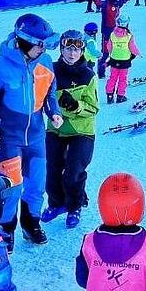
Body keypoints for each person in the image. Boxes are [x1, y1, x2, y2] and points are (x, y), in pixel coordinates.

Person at [0, 14, 63, 248]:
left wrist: (53, 111)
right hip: (9, 140)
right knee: (11, 187)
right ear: (24, 41)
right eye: (40, 44)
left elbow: (50, 93)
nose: (44, 49)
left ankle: (31, 222)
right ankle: (6, 229)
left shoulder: (45, 63)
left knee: (36, 184)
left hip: (37, 137)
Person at [42, 30, 100, 229]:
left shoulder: (88, 75)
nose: (71, 53)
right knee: (52, 168)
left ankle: (75, 206)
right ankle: (56, 203)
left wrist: (76, 106)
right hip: (56, 128)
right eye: (68, 48)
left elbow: (93, 108)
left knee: (74, 171)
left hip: (81, 130)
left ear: (82, 51)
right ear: (62, 48)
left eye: (76, 49)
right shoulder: (51, 70)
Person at [89, 0, 136, 79]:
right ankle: (101, 72)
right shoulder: (106, 4)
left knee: (117, 50)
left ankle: (118, 69)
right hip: (106, 32)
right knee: (105, 53)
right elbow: (99, 3)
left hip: (115, 31)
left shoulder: (117, 3)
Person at [105, 15, 140, 104]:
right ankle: (120, 96)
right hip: (124, 60)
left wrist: (112, 54)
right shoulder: (129, 35)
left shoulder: (112, 34)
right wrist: (137, 53)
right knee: (123, 79)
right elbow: (132, 47)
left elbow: (109, 46)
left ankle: (109, 95)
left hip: (114, 60)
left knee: (112, 77)